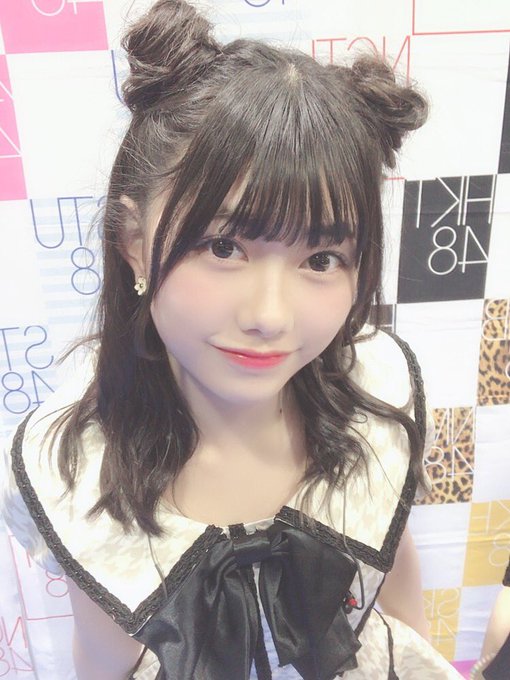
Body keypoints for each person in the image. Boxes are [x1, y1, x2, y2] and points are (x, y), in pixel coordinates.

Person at [1, 1, 464, 678]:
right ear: (133, 241)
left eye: (321, 259)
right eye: (224, 246)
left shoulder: (374, 397)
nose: (270, 316)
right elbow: (102, 657)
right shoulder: (79, 471)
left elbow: (395, 588)